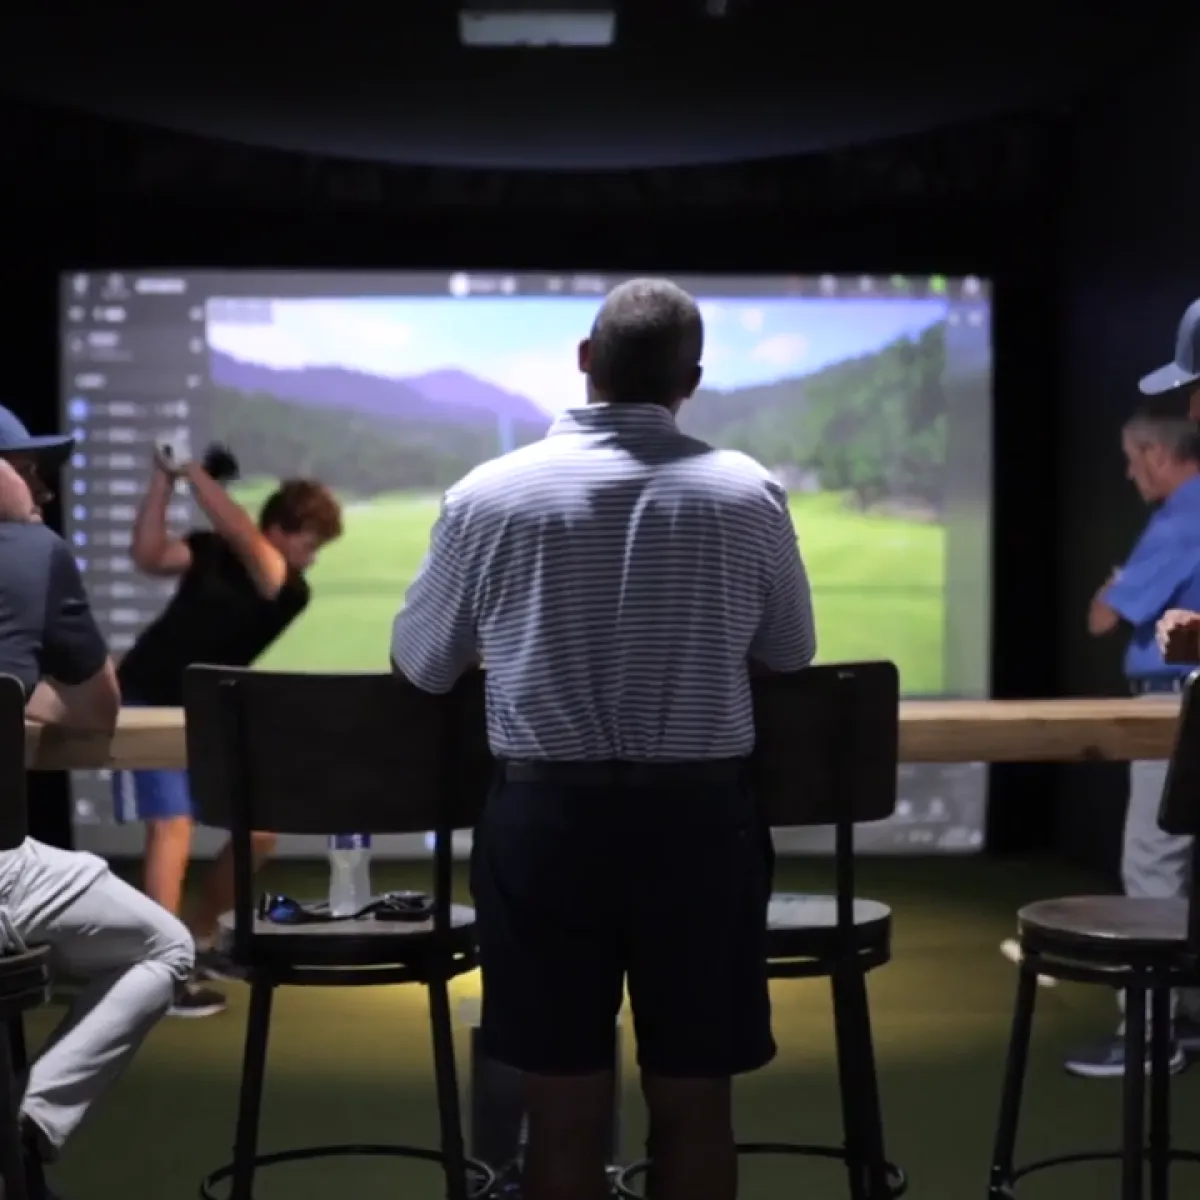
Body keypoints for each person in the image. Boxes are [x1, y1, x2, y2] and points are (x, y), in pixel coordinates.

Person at [390, 279, 816, 1200]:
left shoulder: (486, 495)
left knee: (563, 1108)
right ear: (690, 381)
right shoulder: (750, 494)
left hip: (546, 825)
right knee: (698, 1106)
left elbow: (423, 665)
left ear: (585, 359)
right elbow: (790, 651)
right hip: (704, 827)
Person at [0, 409, 194, 1194]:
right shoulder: (31, 553)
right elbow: (95, 711)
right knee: (165, 947)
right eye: (27, 467)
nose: (43, 490)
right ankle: (30, 1122)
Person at [113, 446, 343, 1017]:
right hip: (149, 696)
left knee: (261, 828)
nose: (311, 559)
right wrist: (167, 479)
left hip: (211, 708)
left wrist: (195, 474)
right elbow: (147, 553)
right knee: (172, 826)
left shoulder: (287, 586)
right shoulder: (211, 550)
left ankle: (200, 938)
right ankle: (161, 973)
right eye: (309, 543)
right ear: (282, 527)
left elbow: (247, 542)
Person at [1063, 407, 1200, 1078]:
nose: (1127, 473)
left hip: (1176, 710)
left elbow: (1101, 617)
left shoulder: (1182, 515)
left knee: (1153, 864)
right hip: (1184, 703)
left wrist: (1114, 586)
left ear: (1154, 453)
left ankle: (1149, 1035)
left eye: (1130, 458)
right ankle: (1185, 1018)